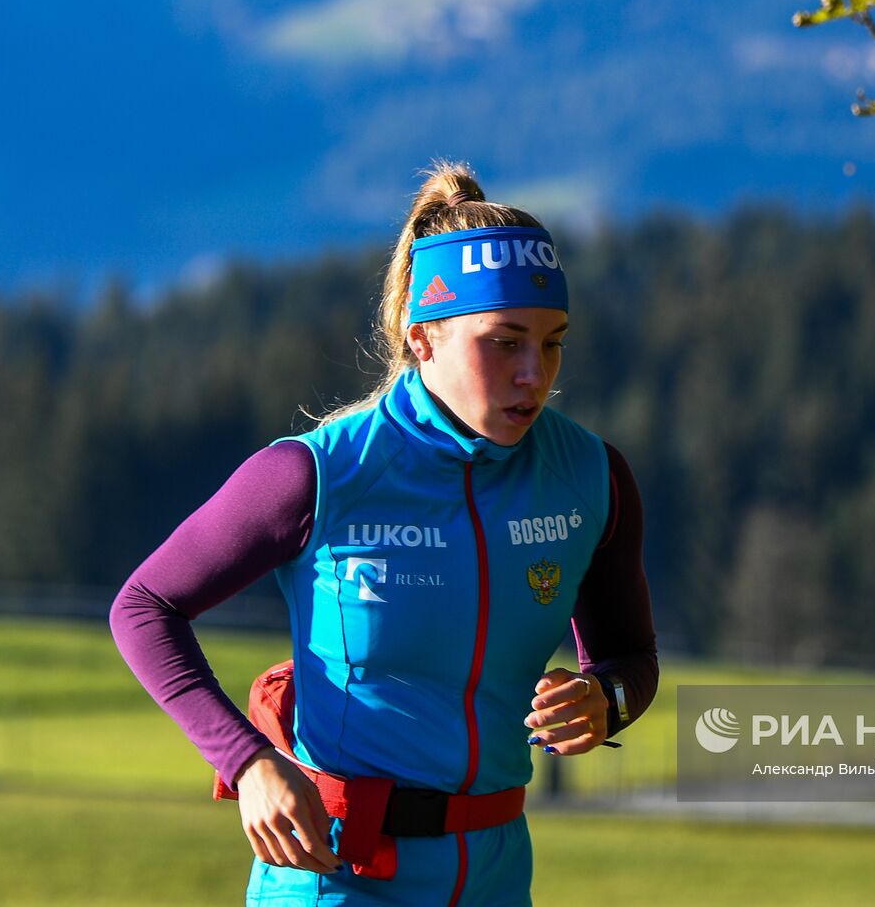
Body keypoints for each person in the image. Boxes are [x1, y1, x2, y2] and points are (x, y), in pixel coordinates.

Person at [110, 161, 659, 907]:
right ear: (423, 336)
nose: (535, 374)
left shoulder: (591, 475)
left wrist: (605, 699)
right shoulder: (316, 474)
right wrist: (248, 764)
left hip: (498, 879)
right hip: (337, 879)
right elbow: (143, 606)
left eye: (552, 342)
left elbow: (630, 660)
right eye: (503, 342)